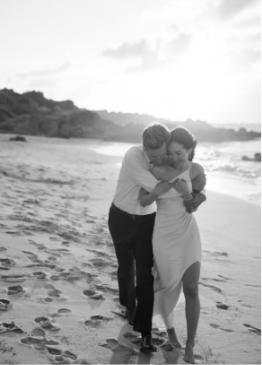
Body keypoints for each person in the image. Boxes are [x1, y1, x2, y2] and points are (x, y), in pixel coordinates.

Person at [108, 123, 206, 354]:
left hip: (168, 227)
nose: (166, 159)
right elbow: (149, 194)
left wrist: (195, 194)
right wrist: (182, 190)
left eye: (172, 153)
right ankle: (144, 315)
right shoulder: (146, 163)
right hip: (141, 225)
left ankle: (168, 339)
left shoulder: (187, 167)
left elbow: (193, 198)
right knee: (143, 275)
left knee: (170, 283)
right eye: (162, 154)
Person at [139, 126, 205, 363]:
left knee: (192, 289)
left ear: (190, 150)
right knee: (166, 287)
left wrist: (187, 193)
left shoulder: (196, 170)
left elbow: (193, 204)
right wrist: (158, 190)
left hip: (187, 232)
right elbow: (142, 198)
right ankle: (170, 332)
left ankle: (189, 346)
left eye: (180, 153)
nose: (175, 158)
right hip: (163, 234)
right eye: (172, 153)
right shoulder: (156, 169)